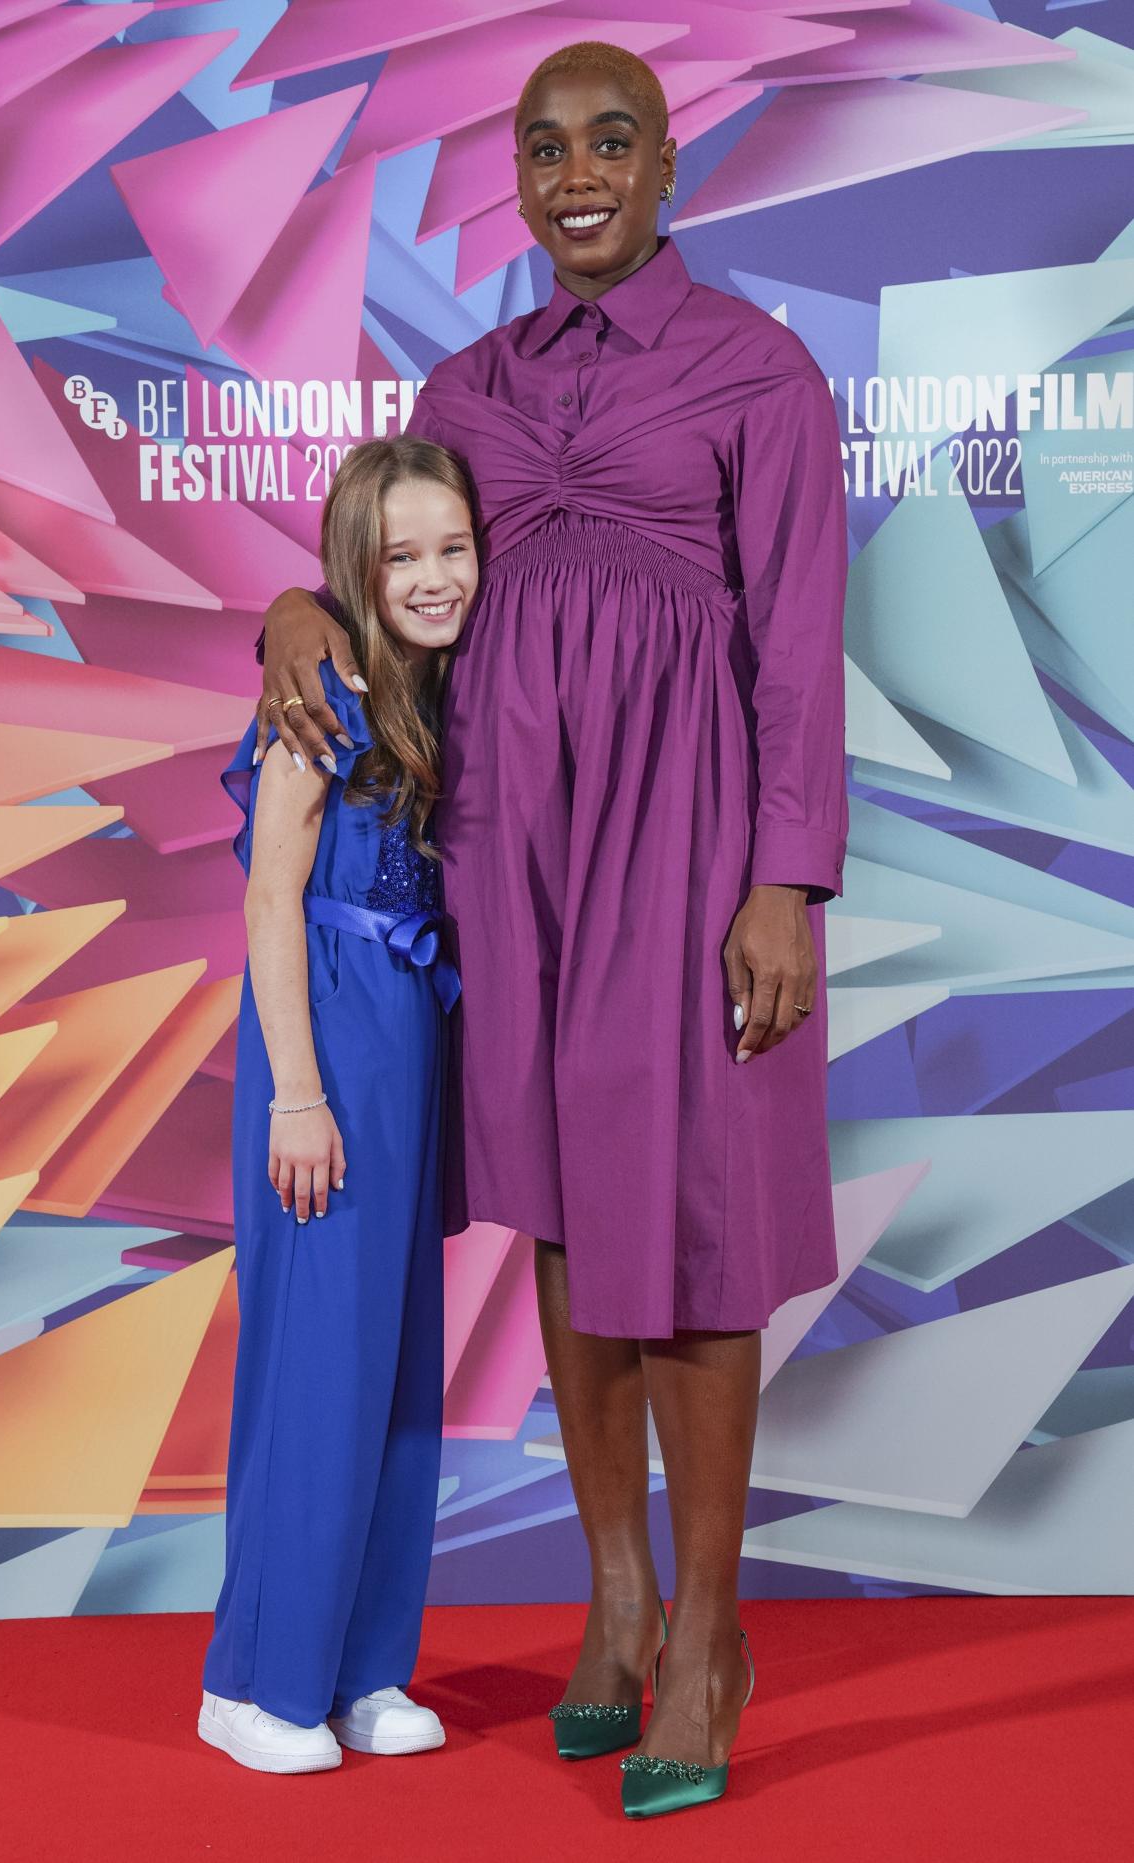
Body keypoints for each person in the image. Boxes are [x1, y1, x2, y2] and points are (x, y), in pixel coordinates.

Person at [258, 42, 848, 1818]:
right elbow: (385, 564)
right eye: (541, 149)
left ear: (667, 165)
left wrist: (781, 881)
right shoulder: (467, 380)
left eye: (610, 142)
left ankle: (714, 1631)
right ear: (514, 180)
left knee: (698, 1219)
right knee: (571, 1218)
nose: (575, 172)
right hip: (511, 856)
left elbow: (799, 646)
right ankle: (614, 1606)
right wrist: (294, 602)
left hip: (692, 853)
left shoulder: (756, 369)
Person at [200, 437, 478, 1774]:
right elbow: (267, 903)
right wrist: (294, 1098)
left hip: (408, 1043)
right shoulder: (320, 696)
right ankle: (259, 1679)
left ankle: (367, 1670)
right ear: (353, 570)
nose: (433, 578)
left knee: (394, 1372)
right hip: (324, 1044)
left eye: (452, 548)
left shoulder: (442, 692)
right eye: (402, 555)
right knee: (315, 1368)